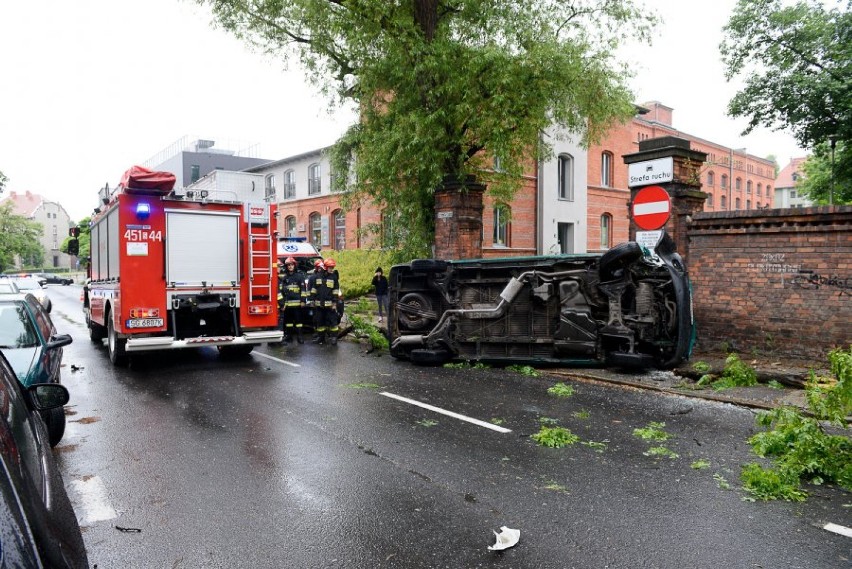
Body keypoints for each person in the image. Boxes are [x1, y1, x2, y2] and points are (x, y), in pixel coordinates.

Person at [308, 259, 340, 345]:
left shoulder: (334, 277)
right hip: (319, 305)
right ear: (325, 267)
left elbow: (335, 291)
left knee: (333, 322)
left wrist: (334, 302)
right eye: (330, 267)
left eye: (332, 267)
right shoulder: (318, 276)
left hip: (330, 306)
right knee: (320, 322)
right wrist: (312, 299)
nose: (332, 269)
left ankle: (334, 338)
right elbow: (314, 289)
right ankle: (321, 338)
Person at [278, 256, 307, 344]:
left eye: (291, 265)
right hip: (287, 305)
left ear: (294, 265)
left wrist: (303, 301)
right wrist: (282, 304)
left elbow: (303, 290)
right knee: (288, 322)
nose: (290, 266)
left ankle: (300, 337)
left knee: (299, 322)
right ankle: (289, 337)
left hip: (297, 304)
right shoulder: (284, 278)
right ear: (286, 267)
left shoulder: (299, 276)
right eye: (288, 265)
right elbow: (281, 291)